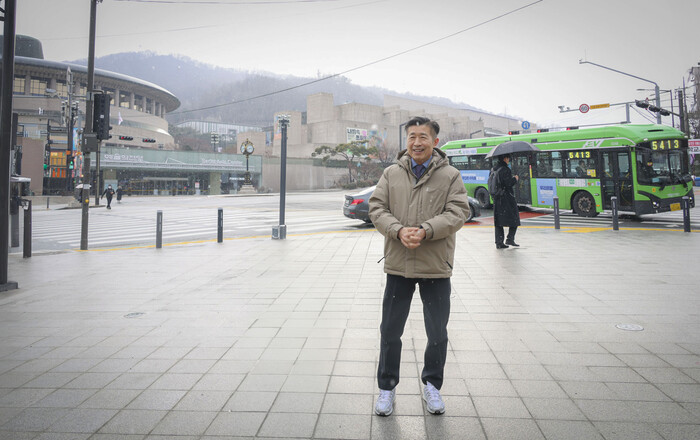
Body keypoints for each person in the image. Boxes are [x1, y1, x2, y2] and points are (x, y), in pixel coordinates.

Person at [369, 116, 470, 417]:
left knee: (437, 332)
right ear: (407, 141)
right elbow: (377, 207)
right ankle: (387, 387)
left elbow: (459, 211)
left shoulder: (450, 175)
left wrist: (426, 230)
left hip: (435, 266)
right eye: (412, 136)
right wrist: (398, 230)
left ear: (435, 141)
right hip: (398, 264)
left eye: (423, 136)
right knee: (390, 331)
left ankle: (432, 385)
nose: (416, 142)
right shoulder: (391, 173)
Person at [492, 154, 520, 248]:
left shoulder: (494, 169)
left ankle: (499, 242)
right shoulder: (505, 169)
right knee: (515, 218)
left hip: (497, 198)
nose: (509, 160)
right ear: (505, 158)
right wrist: (515, 179)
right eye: (508, 158)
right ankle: (510, 239)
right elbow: (508, 183)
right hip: (506, 198)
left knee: (498, 222)